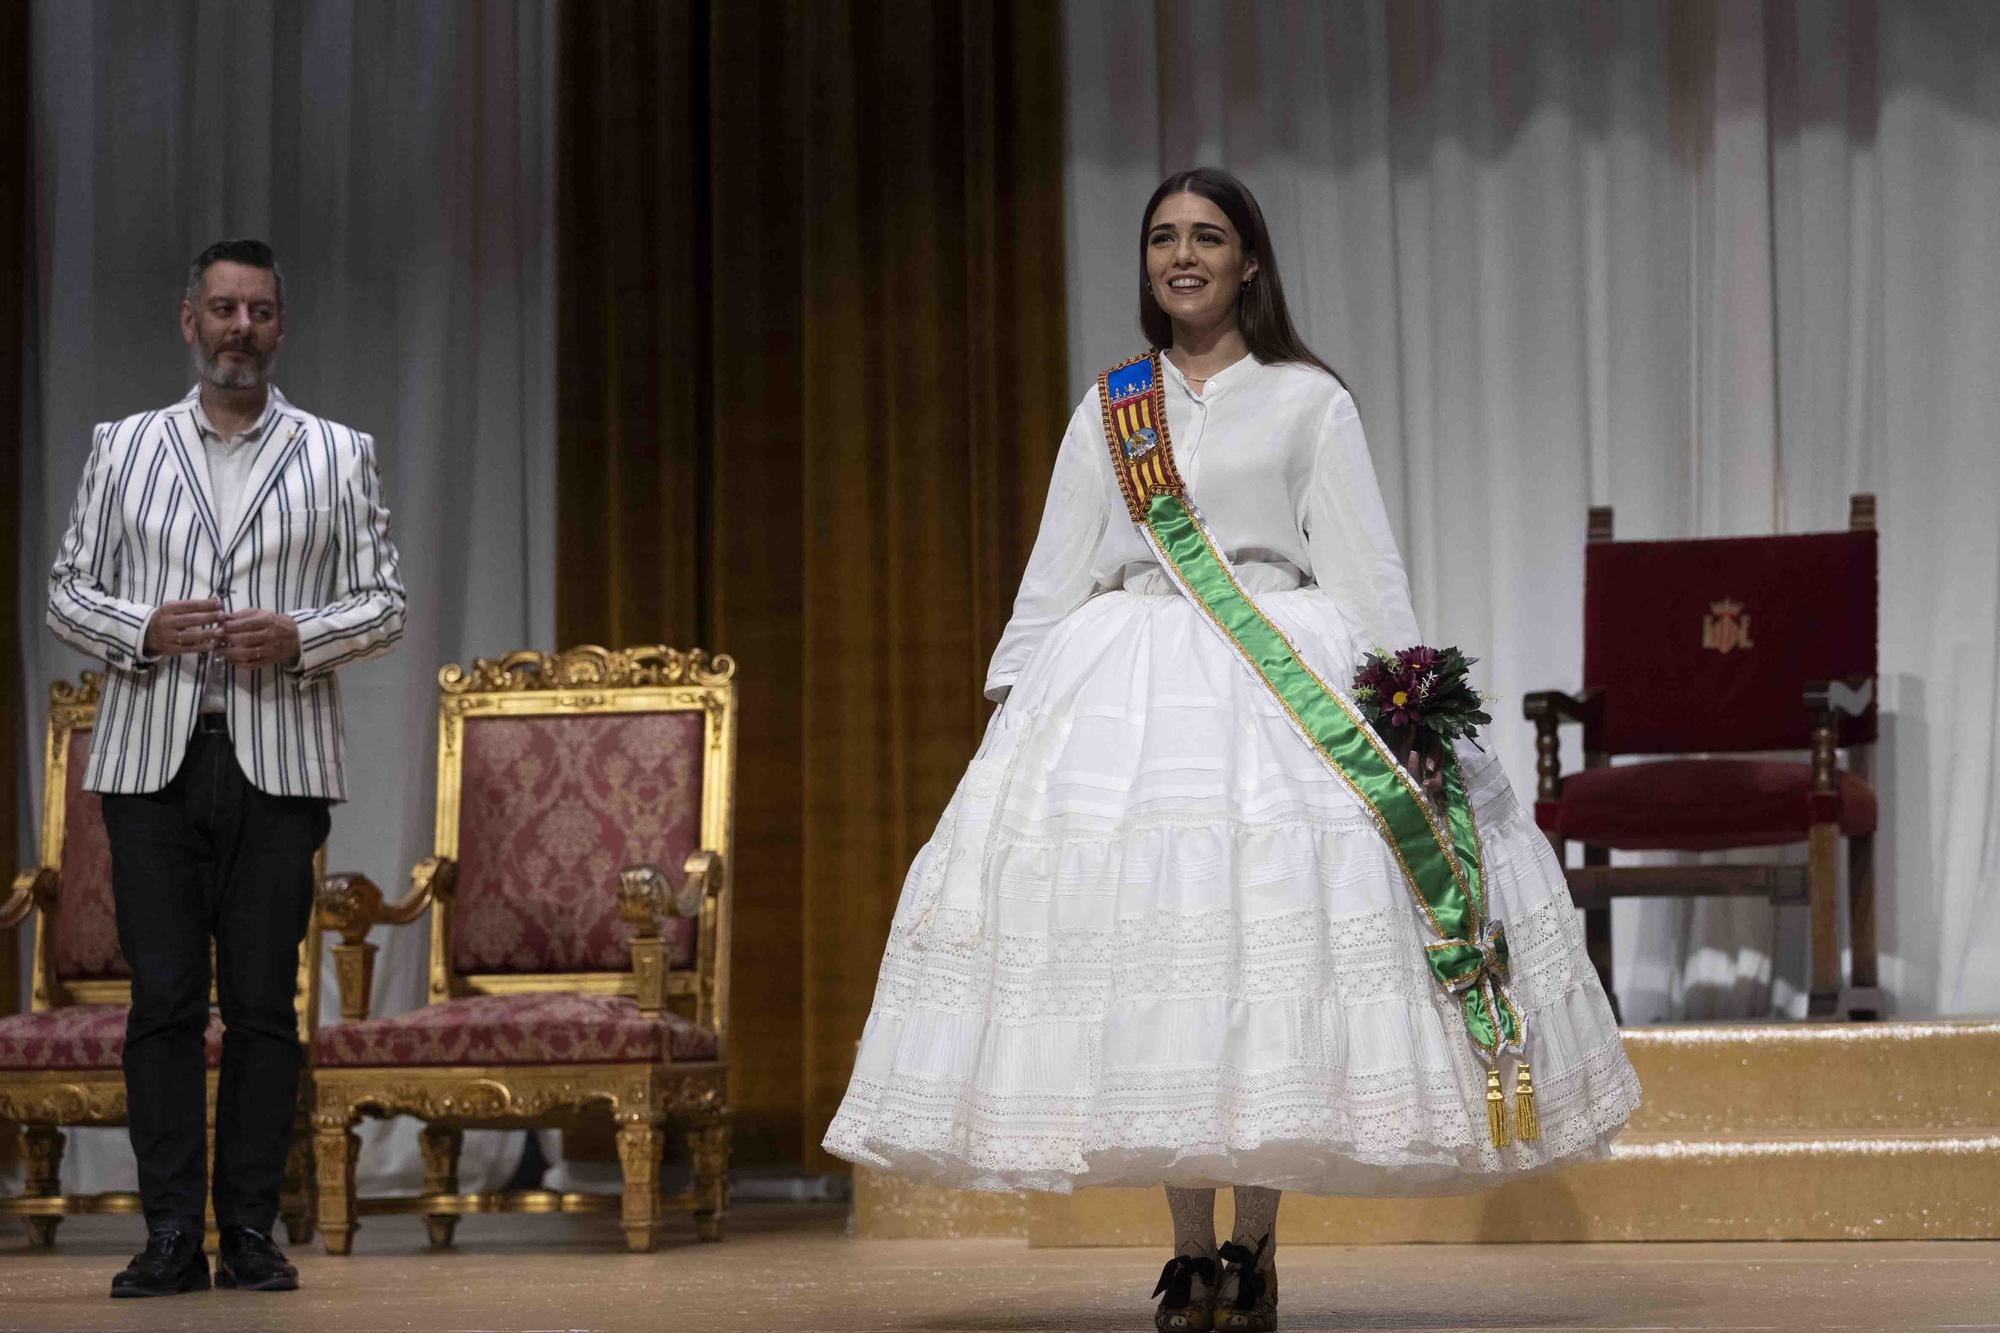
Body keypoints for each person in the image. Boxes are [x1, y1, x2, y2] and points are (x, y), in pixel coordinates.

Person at [824, 170, 1639, 1331]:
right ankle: (1186, 1251)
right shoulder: (1109, 409)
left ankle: (1253, 1248)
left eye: (1208, 236)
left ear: (1249, 261)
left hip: (1277, 690)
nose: (1183, 255)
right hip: (1125, 702)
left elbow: (1363, 571)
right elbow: (1054, 575)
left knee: (1267, 962)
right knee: (1162, 960)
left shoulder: (1308, 401)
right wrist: (1015, 707)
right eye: (1163, 237)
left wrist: (1404, 706)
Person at [47, 238, 406, 1298]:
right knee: (161, 999)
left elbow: (383, 600)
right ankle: (168, 1233)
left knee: (260, 1002)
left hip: (278, 760)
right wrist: (143, 627)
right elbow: (68, 590)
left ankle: (249, 1227)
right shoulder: (124, 446)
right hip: (150, 760)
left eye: (257, 311)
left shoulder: (338, 452)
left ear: (279, 326)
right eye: (221, 308)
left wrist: (301, 635)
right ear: (188, 320)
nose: (239, 328)